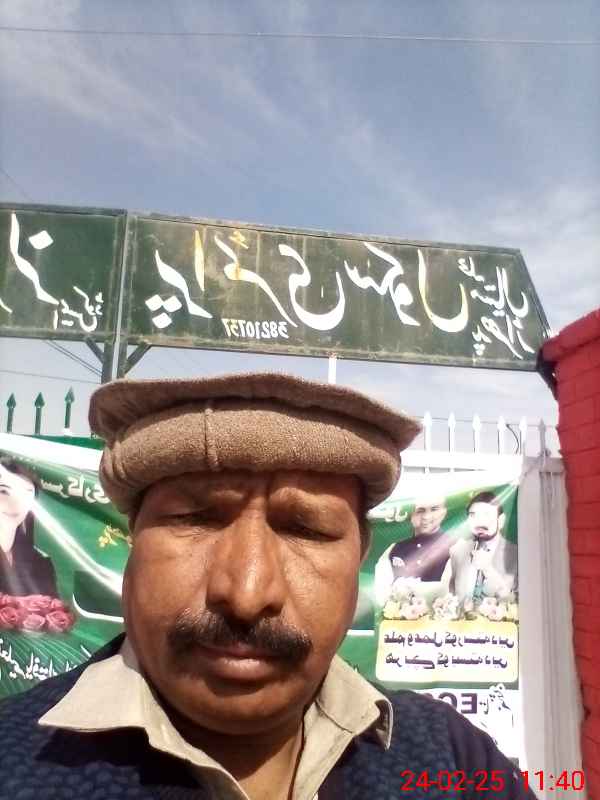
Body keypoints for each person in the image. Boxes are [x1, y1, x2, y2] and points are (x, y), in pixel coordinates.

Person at [0, 373, 534, 799]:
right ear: (133, 542)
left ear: (359, 562)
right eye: (195, 519)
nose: (248, 594)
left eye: (306, 530)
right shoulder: (14, 762)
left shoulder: (455, 763)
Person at [374, 494, 450, 606]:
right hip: (397, 616)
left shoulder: (457, 547)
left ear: (444, 512)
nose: (426, 517)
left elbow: (455, 592)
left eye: (434, 509)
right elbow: (381, 595)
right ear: (410, 514)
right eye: (420, 511)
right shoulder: (394, 549)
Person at [0, 459, 58, 598]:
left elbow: (51, 604)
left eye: (26, 493)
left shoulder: (40, 562)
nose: (15, 503)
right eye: (4, 491)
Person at [449, 491, 517, 605]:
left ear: (501, 520)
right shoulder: (458, 551)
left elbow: (518, 603)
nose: (479, 522)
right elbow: (451, 594)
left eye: (486, 514)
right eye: (473, 515)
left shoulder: (517, 555)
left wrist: (488, 570)